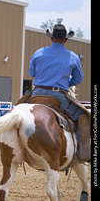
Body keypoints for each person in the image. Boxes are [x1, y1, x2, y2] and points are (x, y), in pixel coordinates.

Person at [29, 20, 90, 162]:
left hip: (36, 93)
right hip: (58, 95)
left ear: (51, 38)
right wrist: (65, 83)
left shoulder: (38, 53)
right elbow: (78, 78)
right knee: (83, 116)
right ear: (66, 40)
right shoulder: (73, 57)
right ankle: (84, 153)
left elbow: (32, 72)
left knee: (17, 110)